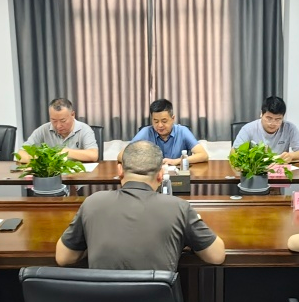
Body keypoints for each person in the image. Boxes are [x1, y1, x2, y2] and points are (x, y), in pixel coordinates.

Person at [58, 141, 225, 270]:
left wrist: (92, 239)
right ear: (161, 175)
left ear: (120, 171)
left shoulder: (92, 203)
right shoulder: (179, 208)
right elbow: (217, 256)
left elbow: (63, 257)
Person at [120, 99, 208, 166]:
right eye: (156, 121)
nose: (160, 125)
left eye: (164, 121)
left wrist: (177, 161)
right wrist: (145, 162)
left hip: (176, 178)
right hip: (152, 177)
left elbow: (203, 155)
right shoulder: (146, 132)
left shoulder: (182, 131)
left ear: (173, 119)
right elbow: (121, 156)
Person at [21, 98, 99, 163]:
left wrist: (64, 152)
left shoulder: (84, 129)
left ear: (72, 115)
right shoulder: (43, 130)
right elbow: (20, 153)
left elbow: (93, 155)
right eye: (54, 120)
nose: (58, 126)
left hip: (78, 175)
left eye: (63, 120)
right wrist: (40, 159)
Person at [232, 96, 299, 162]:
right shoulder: (248, 129)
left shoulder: (290, 128)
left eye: (278, 119)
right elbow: (234, 153)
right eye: (269, 118)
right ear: (261, 114)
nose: (273, 123)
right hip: (256, 169)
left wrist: (291, 156)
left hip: (279, 169)